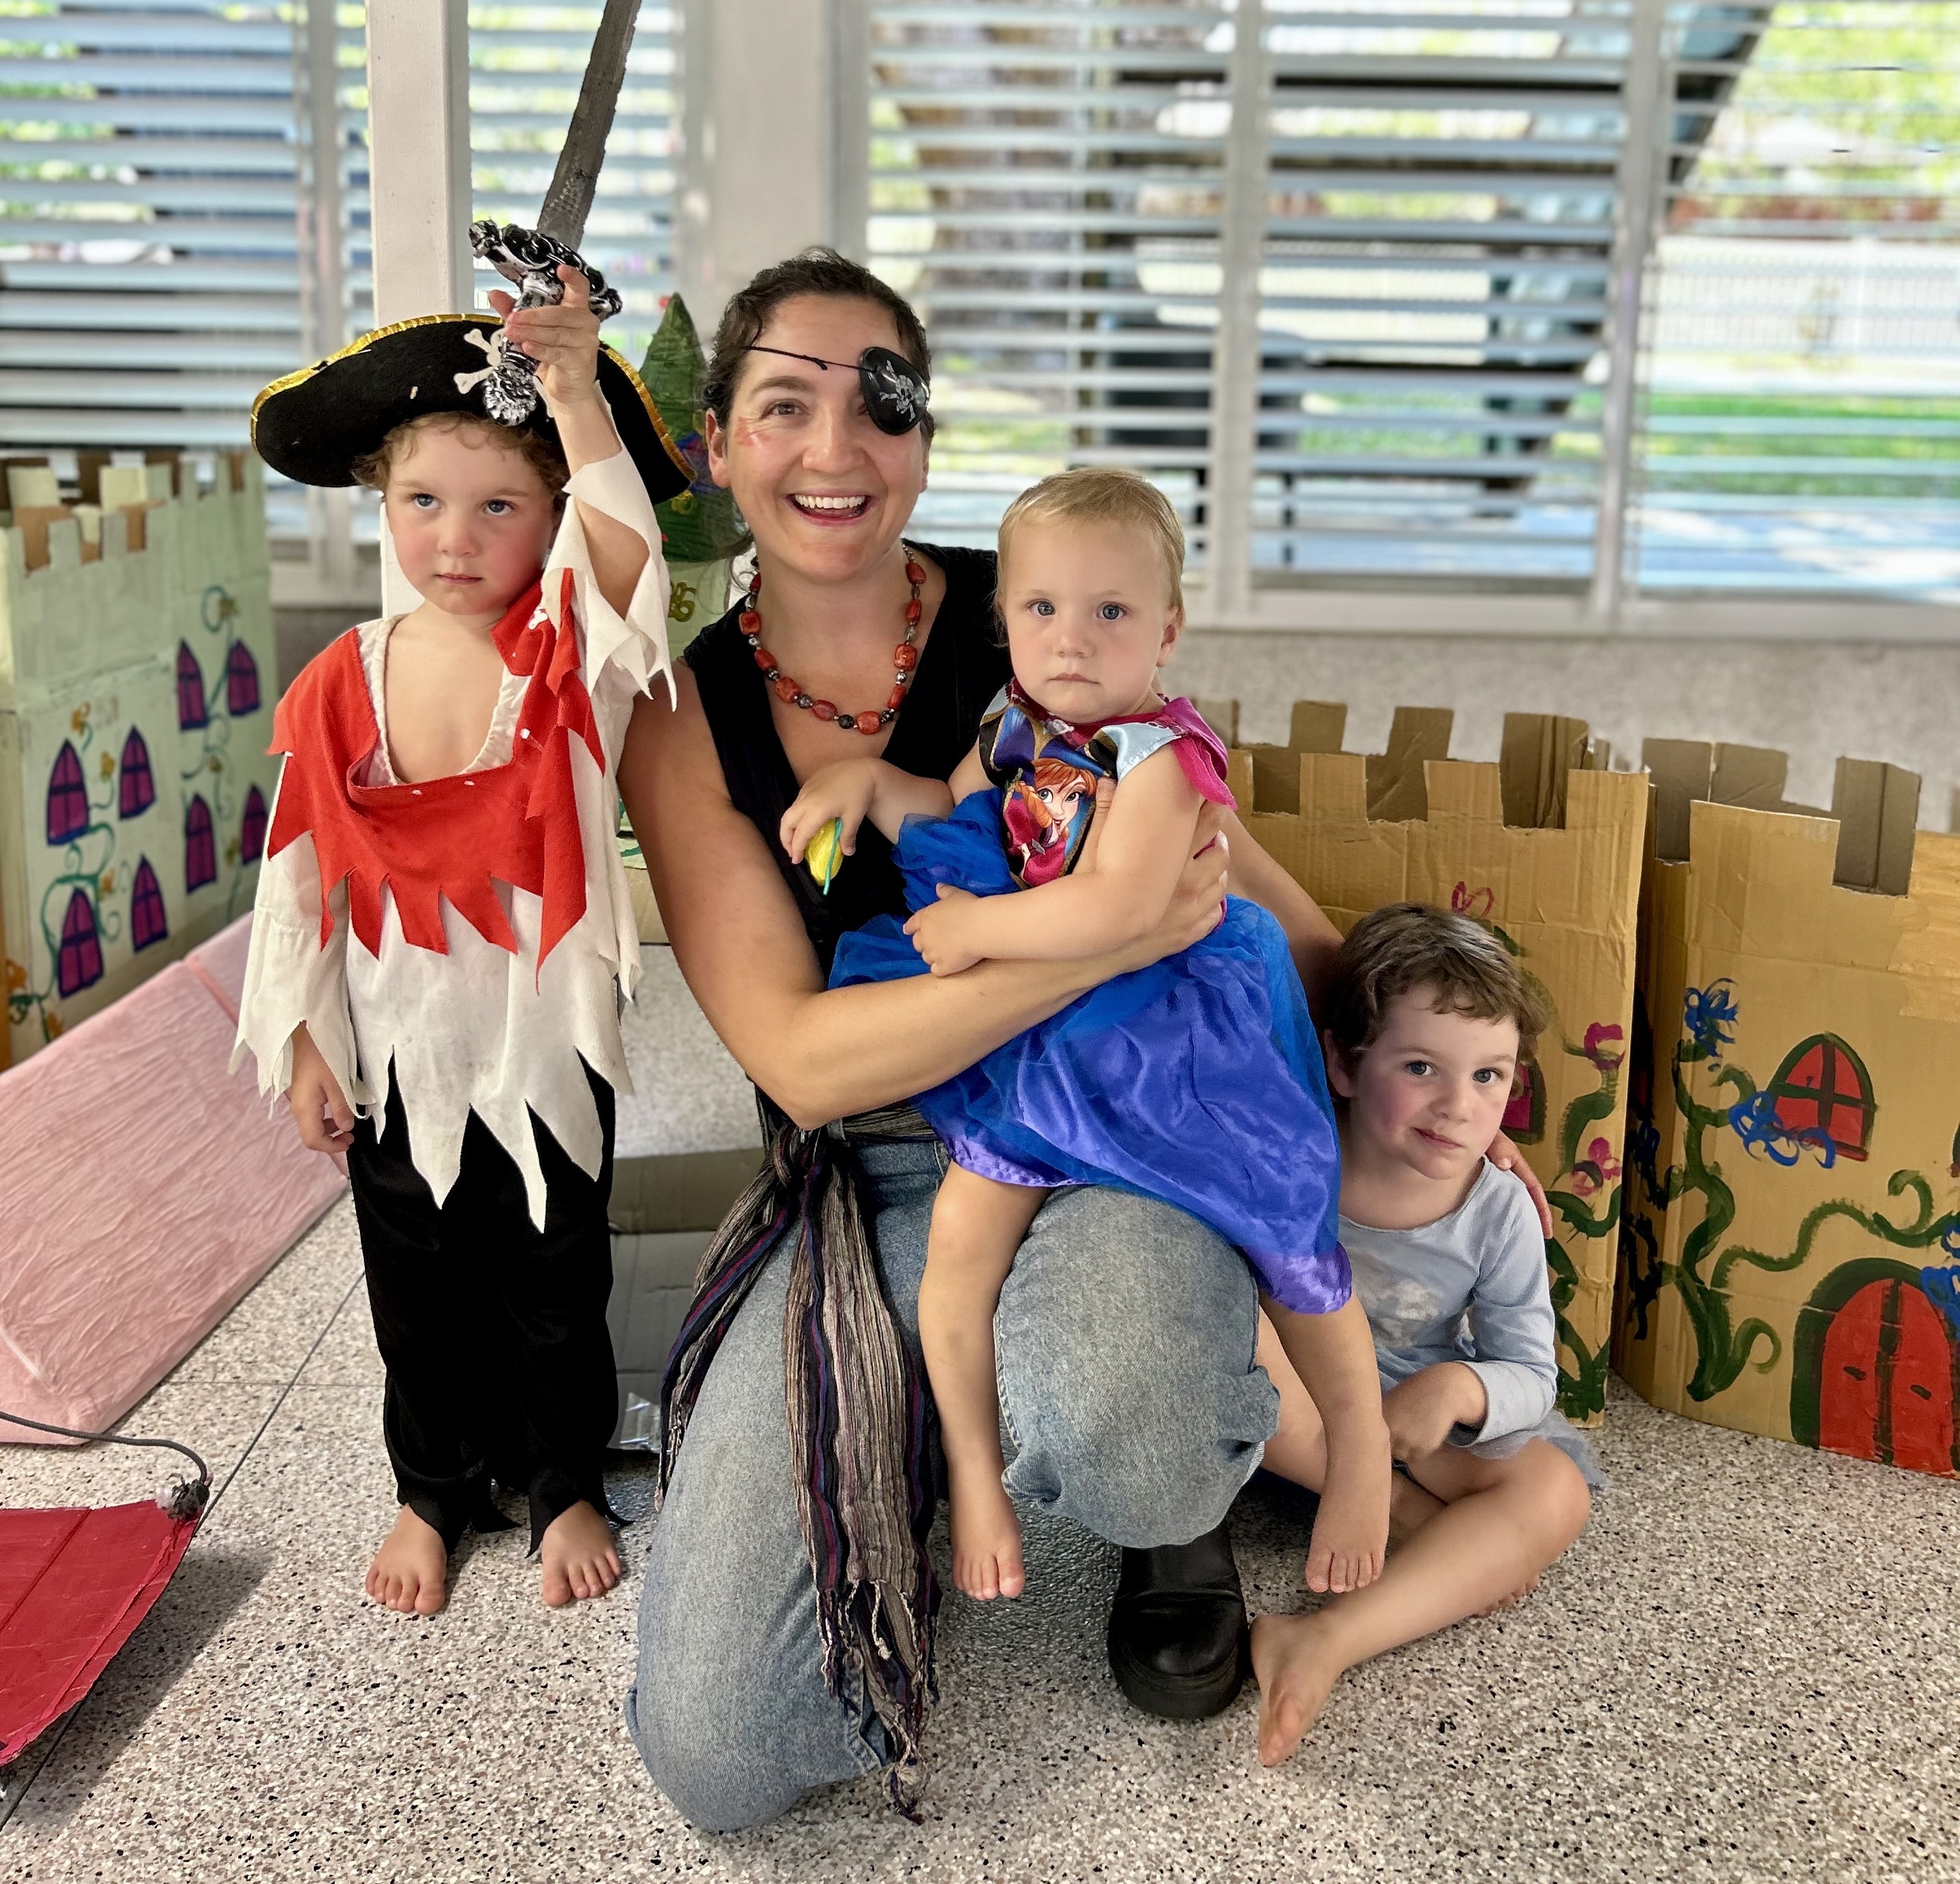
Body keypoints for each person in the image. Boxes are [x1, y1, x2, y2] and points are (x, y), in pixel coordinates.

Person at [616, 246, 1551, 1829]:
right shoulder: (676, 706)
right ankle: (914, 1436)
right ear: (716, 447)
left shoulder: (1045, 603)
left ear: (922, 437)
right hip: (881, 1162)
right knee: (717, 1749)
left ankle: (1154, 1497)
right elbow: (806, 1061)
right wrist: (1106, 934)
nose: (835, 449)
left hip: (1127, 1126)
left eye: (882, 403)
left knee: (1133, 1434)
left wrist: (1399, 1065)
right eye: (784, 403)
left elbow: (1227, 876)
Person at [780, 468, 1391, 1612]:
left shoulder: (1159, 759)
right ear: (1004, 616)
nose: (1071, 639)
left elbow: (1116, 909)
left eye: (1110, 611)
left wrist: (977, 930)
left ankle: (1358, 1454)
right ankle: (974, 1470)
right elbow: (955, 807)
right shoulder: (1015, 724)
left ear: (1167, 628)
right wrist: (869, 777)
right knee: (958, 1259)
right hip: (1042, 1048)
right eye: (1042, 609)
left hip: (1164, 1044)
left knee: (1288, 1232)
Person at [235, 266, 693, 1616]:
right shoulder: (340, 679)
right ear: (380, 507)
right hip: (397, 1041)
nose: (455, 535)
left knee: (557, 1264)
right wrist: (311, 1038)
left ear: (548, 517)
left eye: (501, 505)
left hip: (540, 1036)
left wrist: (571, 392)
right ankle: (430, 1485)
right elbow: (296, 877)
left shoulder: (569, 657)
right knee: (416, 1280)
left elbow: (629, 560)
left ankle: (559, 1478)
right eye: (422, 501)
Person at [1249, 903, 1599, 1767]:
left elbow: (1529, 1370)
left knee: (1555, 1491)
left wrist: (1460, 1389)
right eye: (1419, 1066)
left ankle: (1324, 1638)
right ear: (1341, 1060)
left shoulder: (1498, 1209)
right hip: (1293, 1420)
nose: (1457, 1106)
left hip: (1411, 1414)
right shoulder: (1297, 1157)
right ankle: (1414, 1523)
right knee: (1235, 1322)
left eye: (1490, 1076)